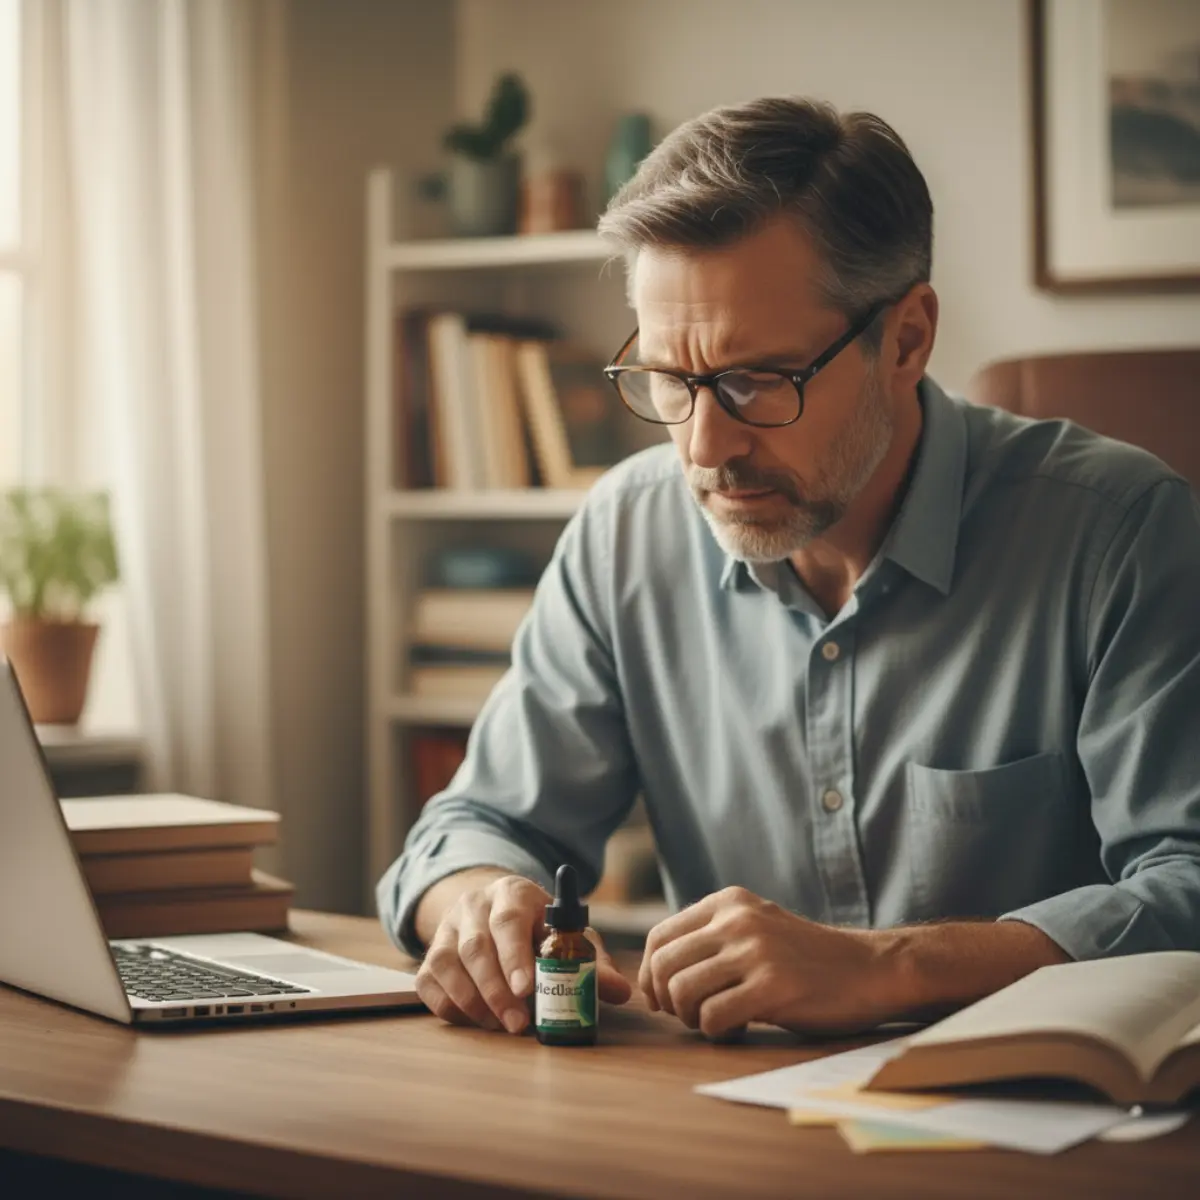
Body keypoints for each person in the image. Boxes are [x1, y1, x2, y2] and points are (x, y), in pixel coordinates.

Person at [376, 96, 1200, 1040]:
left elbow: (1190, 884)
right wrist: (481, 898)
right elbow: (480, 822)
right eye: (667, 379)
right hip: (726, 1120)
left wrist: (887, 968)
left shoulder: (1119, 531)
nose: (703, 448)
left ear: (908, 338)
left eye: (754, 379)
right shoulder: (624, 533)